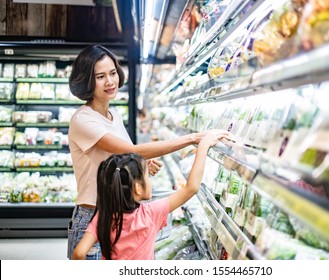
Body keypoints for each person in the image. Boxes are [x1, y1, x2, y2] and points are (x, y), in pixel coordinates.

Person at [67, 44, 225, 259]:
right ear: (86, 80)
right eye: (100, 76)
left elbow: (121, 158)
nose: (110, 81)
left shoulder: (114, 115)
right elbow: (132, 150)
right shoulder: (83, 118)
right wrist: (193, 138)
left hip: (117, 214)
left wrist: (138, 169)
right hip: (94, 215)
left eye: (113, 72)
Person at [72, 130, 227, 260]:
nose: (150, 180)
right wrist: (203, 146)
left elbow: (79, 253)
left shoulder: (104, 216)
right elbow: (191, 188)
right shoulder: (150, 213)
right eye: (147, 176)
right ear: (138, 188)